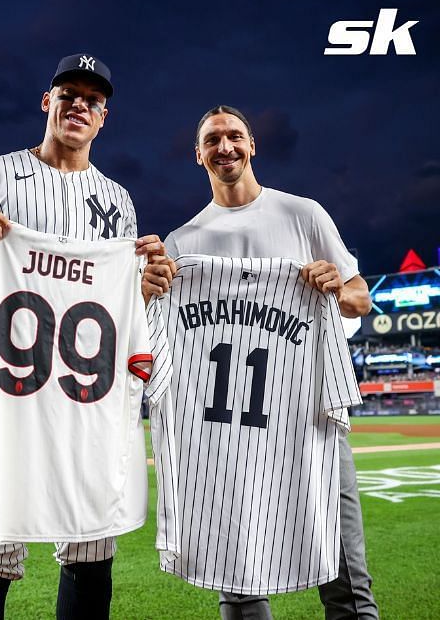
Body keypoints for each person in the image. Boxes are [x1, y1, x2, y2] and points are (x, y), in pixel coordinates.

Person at [0, 53, 172, 620]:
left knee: (90, 551)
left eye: (92, 99)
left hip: (85, 396)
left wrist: (146, 286)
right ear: (46, 102)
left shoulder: (118, 201)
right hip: (0, 392)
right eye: (67, 93)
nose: (79, 104)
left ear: (104, 117)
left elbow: (122, 300)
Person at [147, 104, 376, 620]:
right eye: (212, 139)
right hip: (225, 427)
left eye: (234, 136)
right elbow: (153, 332)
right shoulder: (184, 244)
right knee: (238, 568)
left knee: (344, 567)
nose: (224, 147)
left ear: (253, 146)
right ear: (198, 154)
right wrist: (145, 288)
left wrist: (339, 286)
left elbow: (360, 299)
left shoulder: (303, 214)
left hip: (306, 412)